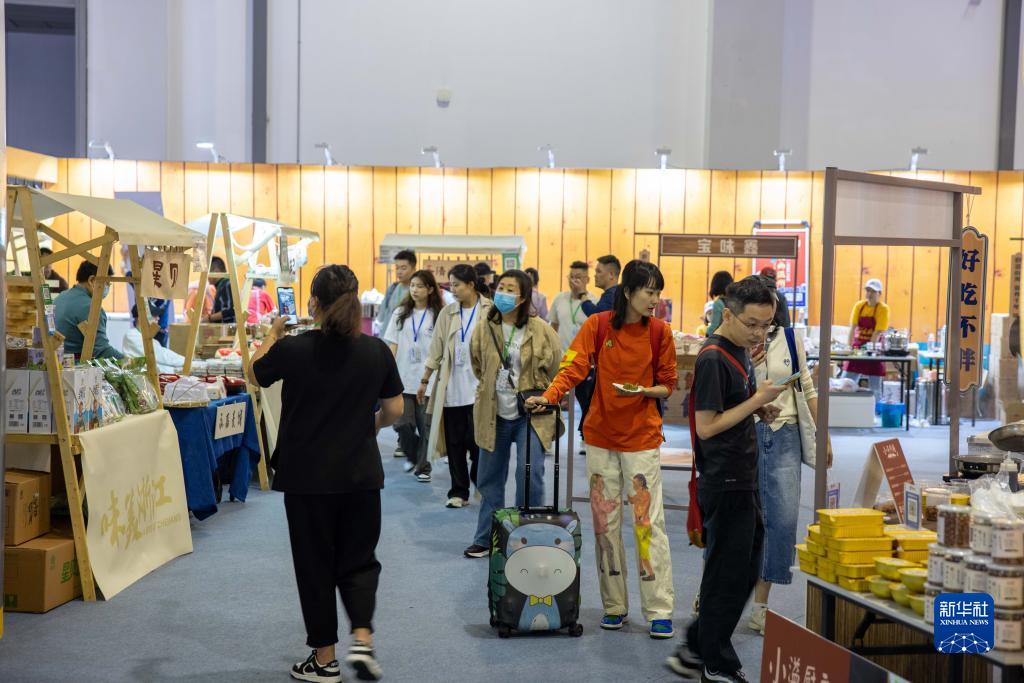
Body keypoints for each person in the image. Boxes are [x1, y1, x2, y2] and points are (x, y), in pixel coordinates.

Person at [249, 264, 403, 683]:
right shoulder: (376, 351)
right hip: (361, 475)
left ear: (313, 302)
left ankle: (324, 659)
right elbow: (394, 409)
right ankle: (363, 638)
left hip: (307, 478)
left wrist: (273, 334)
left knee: (314, 565)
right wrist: (370, 426)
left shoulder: (294, 348)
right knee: (359, 561)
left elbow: (254, 373)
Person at [529, 260, 678, 639]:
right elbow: (573, 366)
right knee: (604, 523)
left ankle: (659, 609)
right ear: (628, 292)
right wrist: (550, 396)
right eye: (649, 292)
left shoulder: (660, 332)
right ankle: (614, 606)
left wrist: (644, 391)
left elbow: (668, 383)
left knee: (647, 524)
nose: (655, 300)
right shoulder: (597, 325)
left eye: (658, 293)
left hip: (642, 439)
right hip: (599, 437)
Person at [666, 276, 787, 682]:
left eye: (766, 325)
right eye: (752, 324)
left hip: (742, 474)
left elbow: (729, 408)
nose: (759, 333)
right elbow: (706, 427)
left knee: (742, 568)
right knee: (728, 575)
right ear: (728, 314)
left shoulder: (737, 349)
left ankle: (695, 647)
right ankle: (714, 661)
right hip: (725, 478)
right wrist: (757, 401)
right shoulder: (713, 357)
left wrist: (756, 408)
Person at [463, 269, 561, 559]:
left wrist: (544, 395)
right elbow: (477, 364)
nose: (503, 294)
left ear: (523, 296)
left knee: (530, 474)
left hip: (532, 412)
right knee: (489, 477)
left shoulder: (541, 329)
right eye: (500, 287)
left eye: (510, 289)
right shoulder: (485, 327)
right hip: (493, 411)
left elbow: (557, 367)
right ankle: (486, 538)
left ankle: (528, 537)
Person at [747, 324, 828, 635]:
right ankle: (710, 592)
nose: (759, 324)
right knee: (734, 517)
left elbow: (807, 386)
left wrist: (824, 434)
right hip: (745, 432)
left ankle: (761, 606)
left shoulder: (790, 337)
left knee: (781, 521)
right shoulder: (735, 335)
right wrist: (747, 363)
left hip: (785, 435)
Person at [418, 265, 491, 508]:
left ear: (471, 284)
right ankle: (458, 492)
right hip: (452, 391)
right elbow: (436, 350)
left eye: (457, 285)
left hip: (480, 391)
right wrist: (425, 380)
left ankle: (479, 482)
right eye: (450, 285)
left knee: (479, 443)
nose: (453, 289)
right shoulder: (448, 313)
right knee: (455, 444)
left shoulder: (490, 310)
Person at [383, 270, 443, 483]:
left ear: (430, 289)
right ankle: (415, 454)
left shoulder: (438, 315)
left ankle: (423, 467)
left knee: (425, 427)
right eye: (412, 286)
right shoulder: (401, 313)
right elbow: (392, 343)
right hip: (402, 378)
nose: (415, 290)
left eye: (420, 286)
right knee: (402, 424)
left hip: (428, 380)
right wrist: (387, 373)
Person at [54, 261, 123, 360]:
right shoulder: (91, 308)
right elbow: (102, 351)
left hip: (54, 363)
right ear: (92, 280)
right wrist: (130, 362)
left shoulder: (60, 297)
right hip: (75, 366)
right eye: (107, 283)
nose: (108, 288)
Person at [842, 278, 889, 400]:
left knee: (875, 388)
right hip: (857, 348)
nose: (869, 294)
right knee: (845, 383)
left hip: (874, 350)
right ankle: (843, 406)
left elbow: (877, 333)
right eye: (868, 290)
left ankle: (876, 409)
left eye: (873, 291)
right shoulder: (859, 306)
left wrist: (869, 350)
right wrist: (849, 347)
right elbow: (852, 328)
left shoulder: (883, 309)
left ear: (879, 293)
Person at [548, 261, 598, 353]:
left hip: (583, 356)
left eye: (578, 277)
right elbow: (553, 326)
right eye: (571, 277)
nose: (573, 280)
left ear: (587, 280)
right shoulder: (559, 298)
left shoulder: (594, 302)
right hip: (561, 356)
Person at [123, 303, 186, 373]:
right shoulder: (132, 335)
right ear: (141, 318)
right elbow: (161, 355)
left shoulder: (149, 338)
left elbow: (159, 364)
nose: (158, 318)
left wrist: (182, 367)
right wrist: (187, 362)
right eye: (154, 315)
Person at [376, 249, 417, 336]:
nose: (399, 272)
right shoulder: (392, 289)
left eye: (403, 268)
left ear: (414, 269)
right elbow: (381, 317)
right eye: (397, 268)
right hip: (386, 338)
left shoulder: (417, 292)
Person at [704, 270, 734, 336]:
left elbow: (715, 325)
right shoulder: (735, 301)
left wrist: (707, 334)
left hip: (722, 337)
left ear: (715, 285)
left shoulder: (718, 303)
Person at [206, 257, 235, 324]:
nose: (207, 277)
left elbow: (231, 311)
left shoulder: (226, 284)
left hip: (227, 329)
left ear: (216, 272)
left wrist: (209, 318)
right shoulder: (222, 285)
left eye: (207, 273)